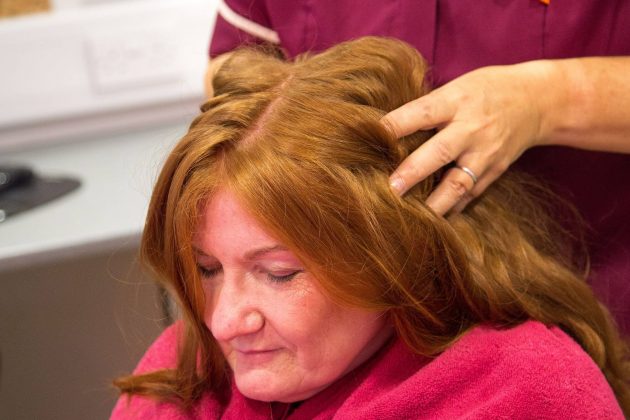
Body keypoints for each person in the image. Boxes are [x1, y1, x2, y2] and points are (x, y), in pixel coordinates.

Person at [111, 37, 628, 418]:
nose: (222, 323)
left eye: (279, 273)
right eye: (207, 268)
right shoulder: (186, 379)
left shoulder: (525, 394)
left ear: (390, 255)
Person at [207, 0, 630, 335]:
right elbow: (229, 72)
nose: (223, 324)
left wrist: (544, 101)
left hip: (584, 296)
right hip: (344, 326)